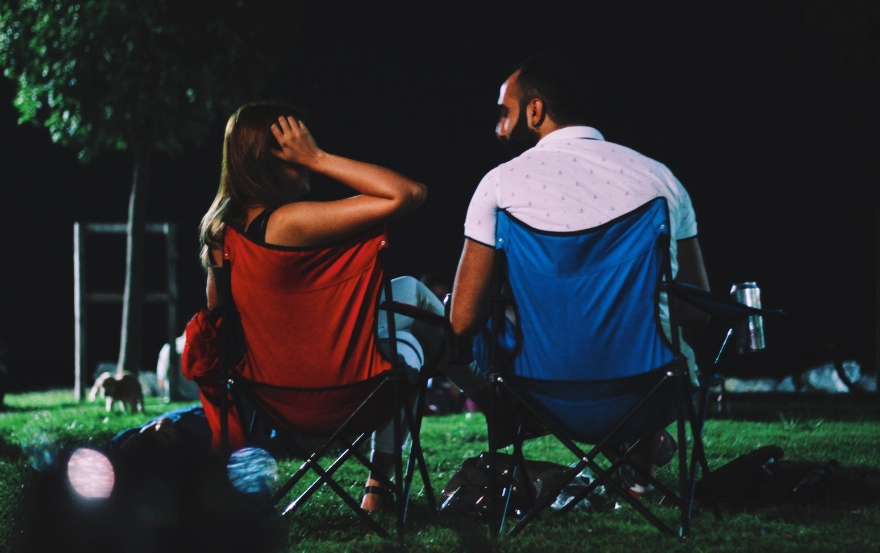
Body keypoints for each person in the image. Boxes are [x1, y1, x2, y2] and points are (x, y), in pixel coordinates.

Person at [198, 102, 485, 512]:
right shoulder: (288, 222)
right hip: (341, 392)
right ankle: (478, 407)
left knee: (410, 294)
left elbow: (223, 322)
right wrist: (319, 157)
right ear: (273, 160)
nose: (307, 164)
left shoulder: (220, 235)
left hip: (271, 396)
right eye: (297, 154)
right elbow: (409, 193)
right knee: (409, 346)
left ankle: (483, 397)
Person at [449, 54, 711, 495]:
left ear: (534, 111)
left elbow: (462, 320)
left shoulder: (499, 185)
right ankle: (640, 472)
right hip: (649, 392)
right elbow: (697, 305)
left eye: (504, 113)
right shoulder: (659, 179)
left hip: (540, 393)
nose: (498, 128)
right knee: (648, 328)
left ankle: (622, 464)